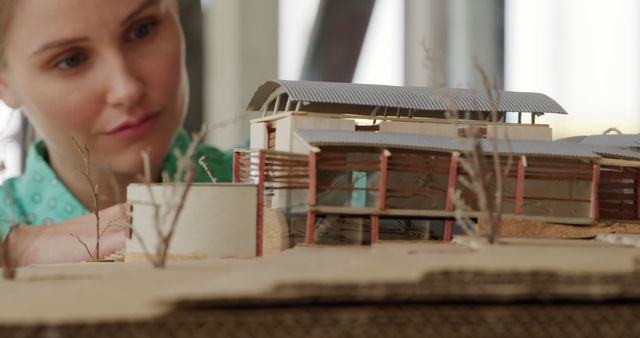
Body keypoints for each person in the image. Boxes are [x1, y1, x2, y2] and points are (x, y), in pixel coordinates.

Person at [0, 0, 232, 266]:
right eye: (70, 61)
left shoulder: (272, 185)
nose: (127, 90)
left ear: (175, 9)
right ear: (4, 83)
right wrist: (17, 248)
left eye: (142, 30)